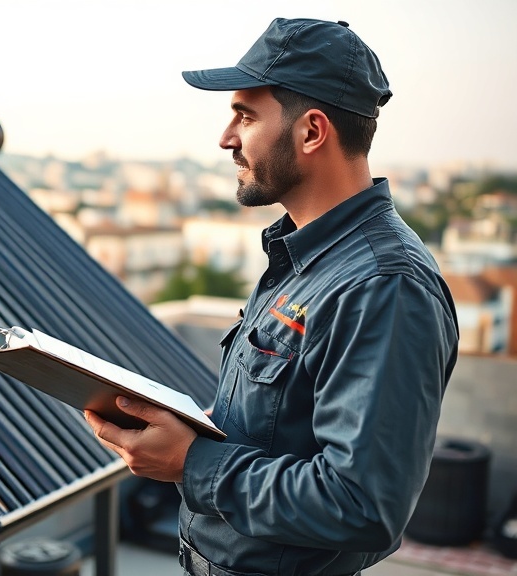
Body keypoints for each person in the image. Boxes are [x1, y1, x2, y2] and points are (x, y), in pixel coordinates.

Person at [85, 17, 459, 576]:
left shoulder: (383, 287)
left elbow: (360, 505)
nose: (225, 137)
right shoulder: (305, 258)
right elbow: (288, 426)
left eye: (245, 115)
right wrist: (208, 430)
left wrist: (192, 462)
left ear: (311, 132)